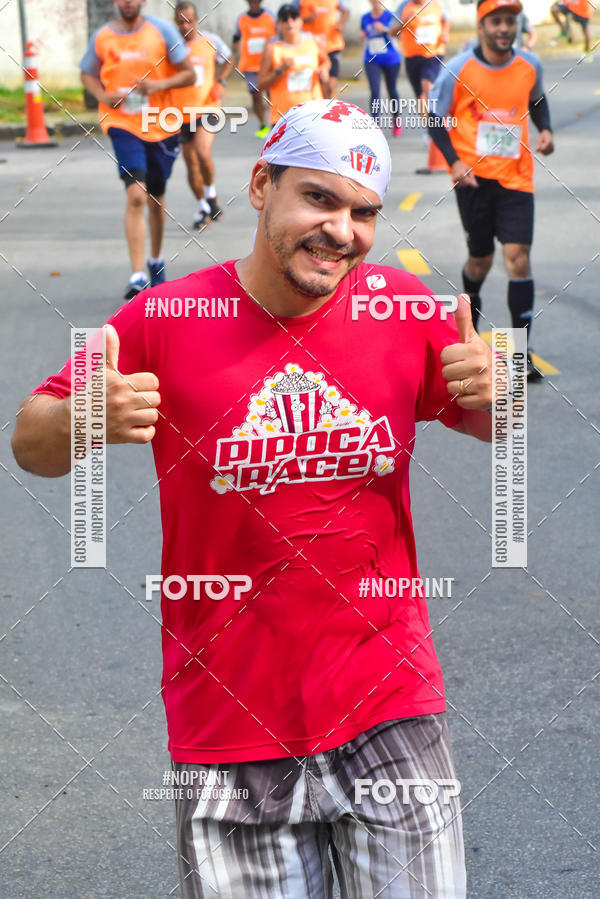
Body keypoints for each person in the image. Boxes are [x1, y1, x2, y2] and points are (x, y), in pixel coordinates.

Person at [12, 98, 496, 898]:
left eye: (364, 212)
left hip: (391, 704)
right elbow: (30, 442)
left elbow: (490, 420)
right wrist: (83, 417)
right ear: (262, 184)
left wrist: (498, 391)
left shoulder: (402, 307)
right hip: (231, 726)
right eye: (320, 198)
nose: (342, 230)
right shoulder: (166, 317)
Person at [428, 0, 554, 381]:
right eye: (496, 21)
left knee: (518, 258)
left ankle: (520, 354)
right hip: (474, 180)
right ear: (481, 26)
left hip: (517, 177)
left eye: (510, 21)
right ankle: (470, 337)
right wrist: (454, 162)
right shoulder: (458, 68)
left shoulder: (530, 65)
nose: (504, 28)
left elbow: (537, 99)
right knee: (480, 261)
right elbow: (435, 117)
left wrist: (545, 129)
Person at [80, 0, 195, 300]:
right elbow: (87, 73)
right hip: (122, 124)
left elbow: (189, 74)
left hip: (160, 125)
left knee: (155, 196)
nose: (128, 1)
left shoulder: (163, 31)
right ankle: (137, 275)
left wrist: (157, 86)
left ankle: (155, 260)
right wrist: (102, 95)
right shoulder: (103, 36)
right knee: (136, 195)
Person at [172, 2, 234, 229]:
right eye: (180, 22)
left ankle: (211, 194)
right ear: (175, 22)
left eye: (189, 21)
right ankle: (204, 207)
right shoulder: (171, 46)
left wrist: (221, 81)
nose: (185, 26)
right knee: (191, 164)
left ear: (196, 20)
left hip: (207, 107)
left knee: (202, 152)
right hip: (179, 113)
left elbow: (229, 58)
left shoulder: (210, 41)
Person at [258, 4, 327, 124]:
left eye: (294, 17)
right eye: (285, 19)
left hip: (313, 114)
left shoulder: (314, 42)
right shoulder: (272, 49)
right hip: (284, 118)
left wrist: (324, 68)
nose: (290, 22)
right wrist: (280, 70)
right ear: (278, 24)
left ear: (300, 21)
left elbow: (326, 61)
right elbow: (261, 84)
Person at [391, 0, 450, 107]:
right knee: (420, 96)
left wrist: (445, 32)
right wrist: (404, 22)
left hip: (433, 54)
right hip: (412, 56)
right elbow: (392, 32)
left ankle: (436, 115)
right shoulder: (404, 6)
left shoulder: (437, 3)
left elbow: (446, 19)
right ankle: (428, 117)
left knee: (428, 87)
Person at [232, 0, 277, 138]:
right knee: (256, 96)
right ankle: (263, 125)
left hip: (269, 65)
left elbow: (278, 36)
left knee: (273, 96)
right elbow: (236, 37)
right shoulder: (242, 18)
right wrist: (234, 50)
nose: (254, 2)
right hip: (251, 65)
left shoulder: (270, 16)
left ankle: (276, 123)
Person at [360, 0, 403, 136]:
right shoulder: (365, 18)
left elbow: (400, 35)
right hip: (372, 59)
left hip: (391, 58)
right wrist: (362, 35)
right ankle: (376, 124)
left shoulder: (391, 16)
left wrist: (384, 29)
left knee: (392, 90)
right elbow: (363, 33)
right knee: (374, 91)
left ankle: (396, 118)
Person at [299, 0, 349, 97]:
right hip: (311, 48)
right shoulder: (299, 2)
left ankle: (331, 104)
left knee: (331, 85)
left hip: (332, 45)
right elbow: (291, 19)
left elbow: (346, 11)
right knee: (318, 85)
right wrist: (307, 18)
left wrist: (341, 24)